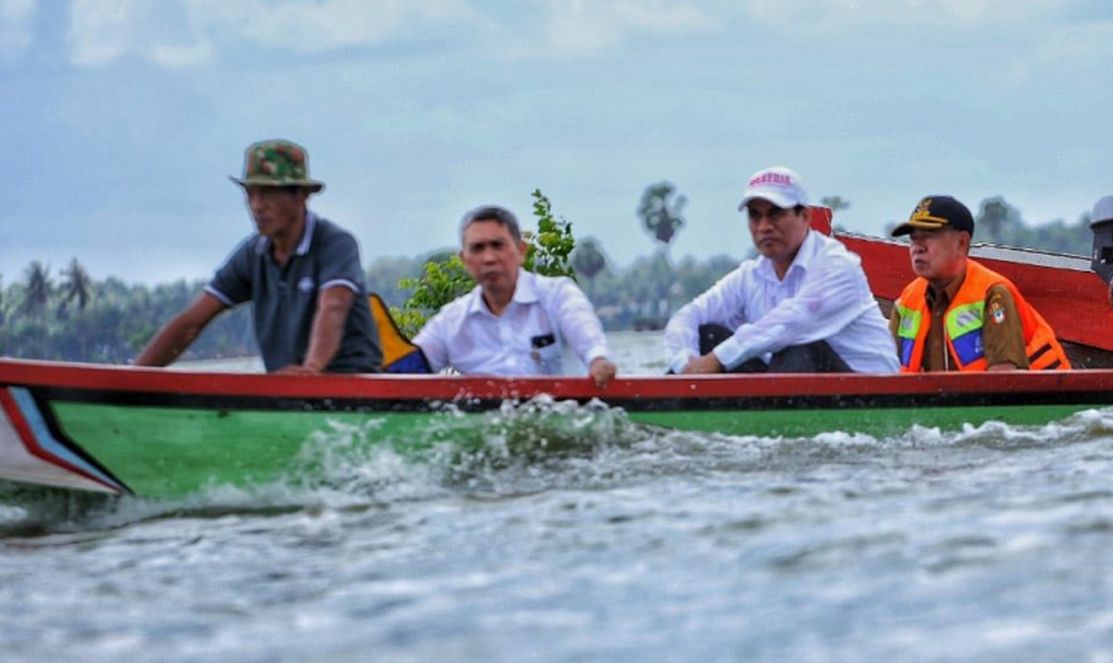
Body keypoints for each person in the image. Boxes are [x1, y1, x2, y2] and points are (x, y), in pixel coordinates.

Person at [135, 140, 381, 374]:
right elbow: (191, 323)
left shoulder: (334, 243)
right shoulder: (253, 254)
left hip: (349, 385)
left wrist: (312, 370)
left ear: (300, 196)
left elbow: (334, 306)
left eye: (268, 194)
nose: (257, 205)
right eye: (250, 194)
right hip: (288, 388)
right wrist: (131, 378)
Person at [664, 166, 899, 374]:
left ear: (804, 216)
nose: (764, 226)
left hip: (868, 394)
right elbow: (688, 316)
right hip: (796, 384)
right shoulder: (751, 275)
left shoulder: (838, 265)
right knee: (708, 334)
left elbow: (792, 324)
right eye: (755, 216)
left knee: (798, 348)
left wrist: (717, 359)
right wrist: (687, 363)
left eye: (775, 213)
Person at [413, 205, 618, 387]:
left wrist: (598, 360)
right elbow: (409, 367)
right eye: (477, 248)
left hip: (568, 412)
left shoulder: (558, 295)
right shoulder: (451, 321)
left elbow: (589, 340)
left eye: (498, 245)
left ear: (521, 251)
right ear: (464, 260)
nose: (489, 258)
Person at [889, 195, 1069, 372]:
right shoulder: (906, 302)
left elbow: (1003, 381)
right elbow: (883, 370)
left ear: (962, 243)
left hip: (1037, 399)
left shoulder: (993, 294)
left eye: (929, 236)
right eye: (913, 238)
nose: (918, 247)